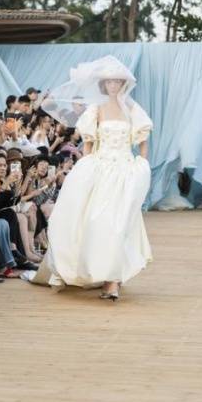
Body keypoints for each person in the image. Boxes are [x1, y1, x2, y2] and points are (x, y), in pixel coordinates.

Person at [29, 55, 153, 300]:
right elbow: (88, 144)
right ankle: (107, 276)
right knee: (98, 222)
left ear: (123, 83)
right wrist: (85, 170)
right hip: (100, 170)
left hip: (125, 171)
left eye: (117, 81)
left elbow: (143, 140)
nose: (113, 85)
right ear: (103, 85)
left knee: (121, 223)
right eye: (109, 82)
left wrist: (142, 164)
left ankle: (112, 280)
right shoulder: (96, 109)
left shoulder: (132, 109)